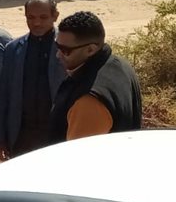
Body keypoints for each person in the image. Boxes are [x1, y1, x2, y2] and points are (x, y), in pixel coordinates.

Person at [49, 11, 142, 142]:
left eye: (65, 50)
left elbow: (79, 152)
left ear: (90, 49)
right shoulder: (121, 65)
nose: (58, 55)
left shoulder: (88, 101)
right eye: (57, 47)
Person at [0, 0, 66, 159]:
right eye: (31, 18)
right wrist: (0, 138)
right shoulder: (13, 49)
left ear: (55, 16)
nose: (36, 23)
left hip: (57, 134)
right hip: (22, 136)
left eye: (43, 17)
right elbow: (3, 95)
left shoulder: (66, 48)